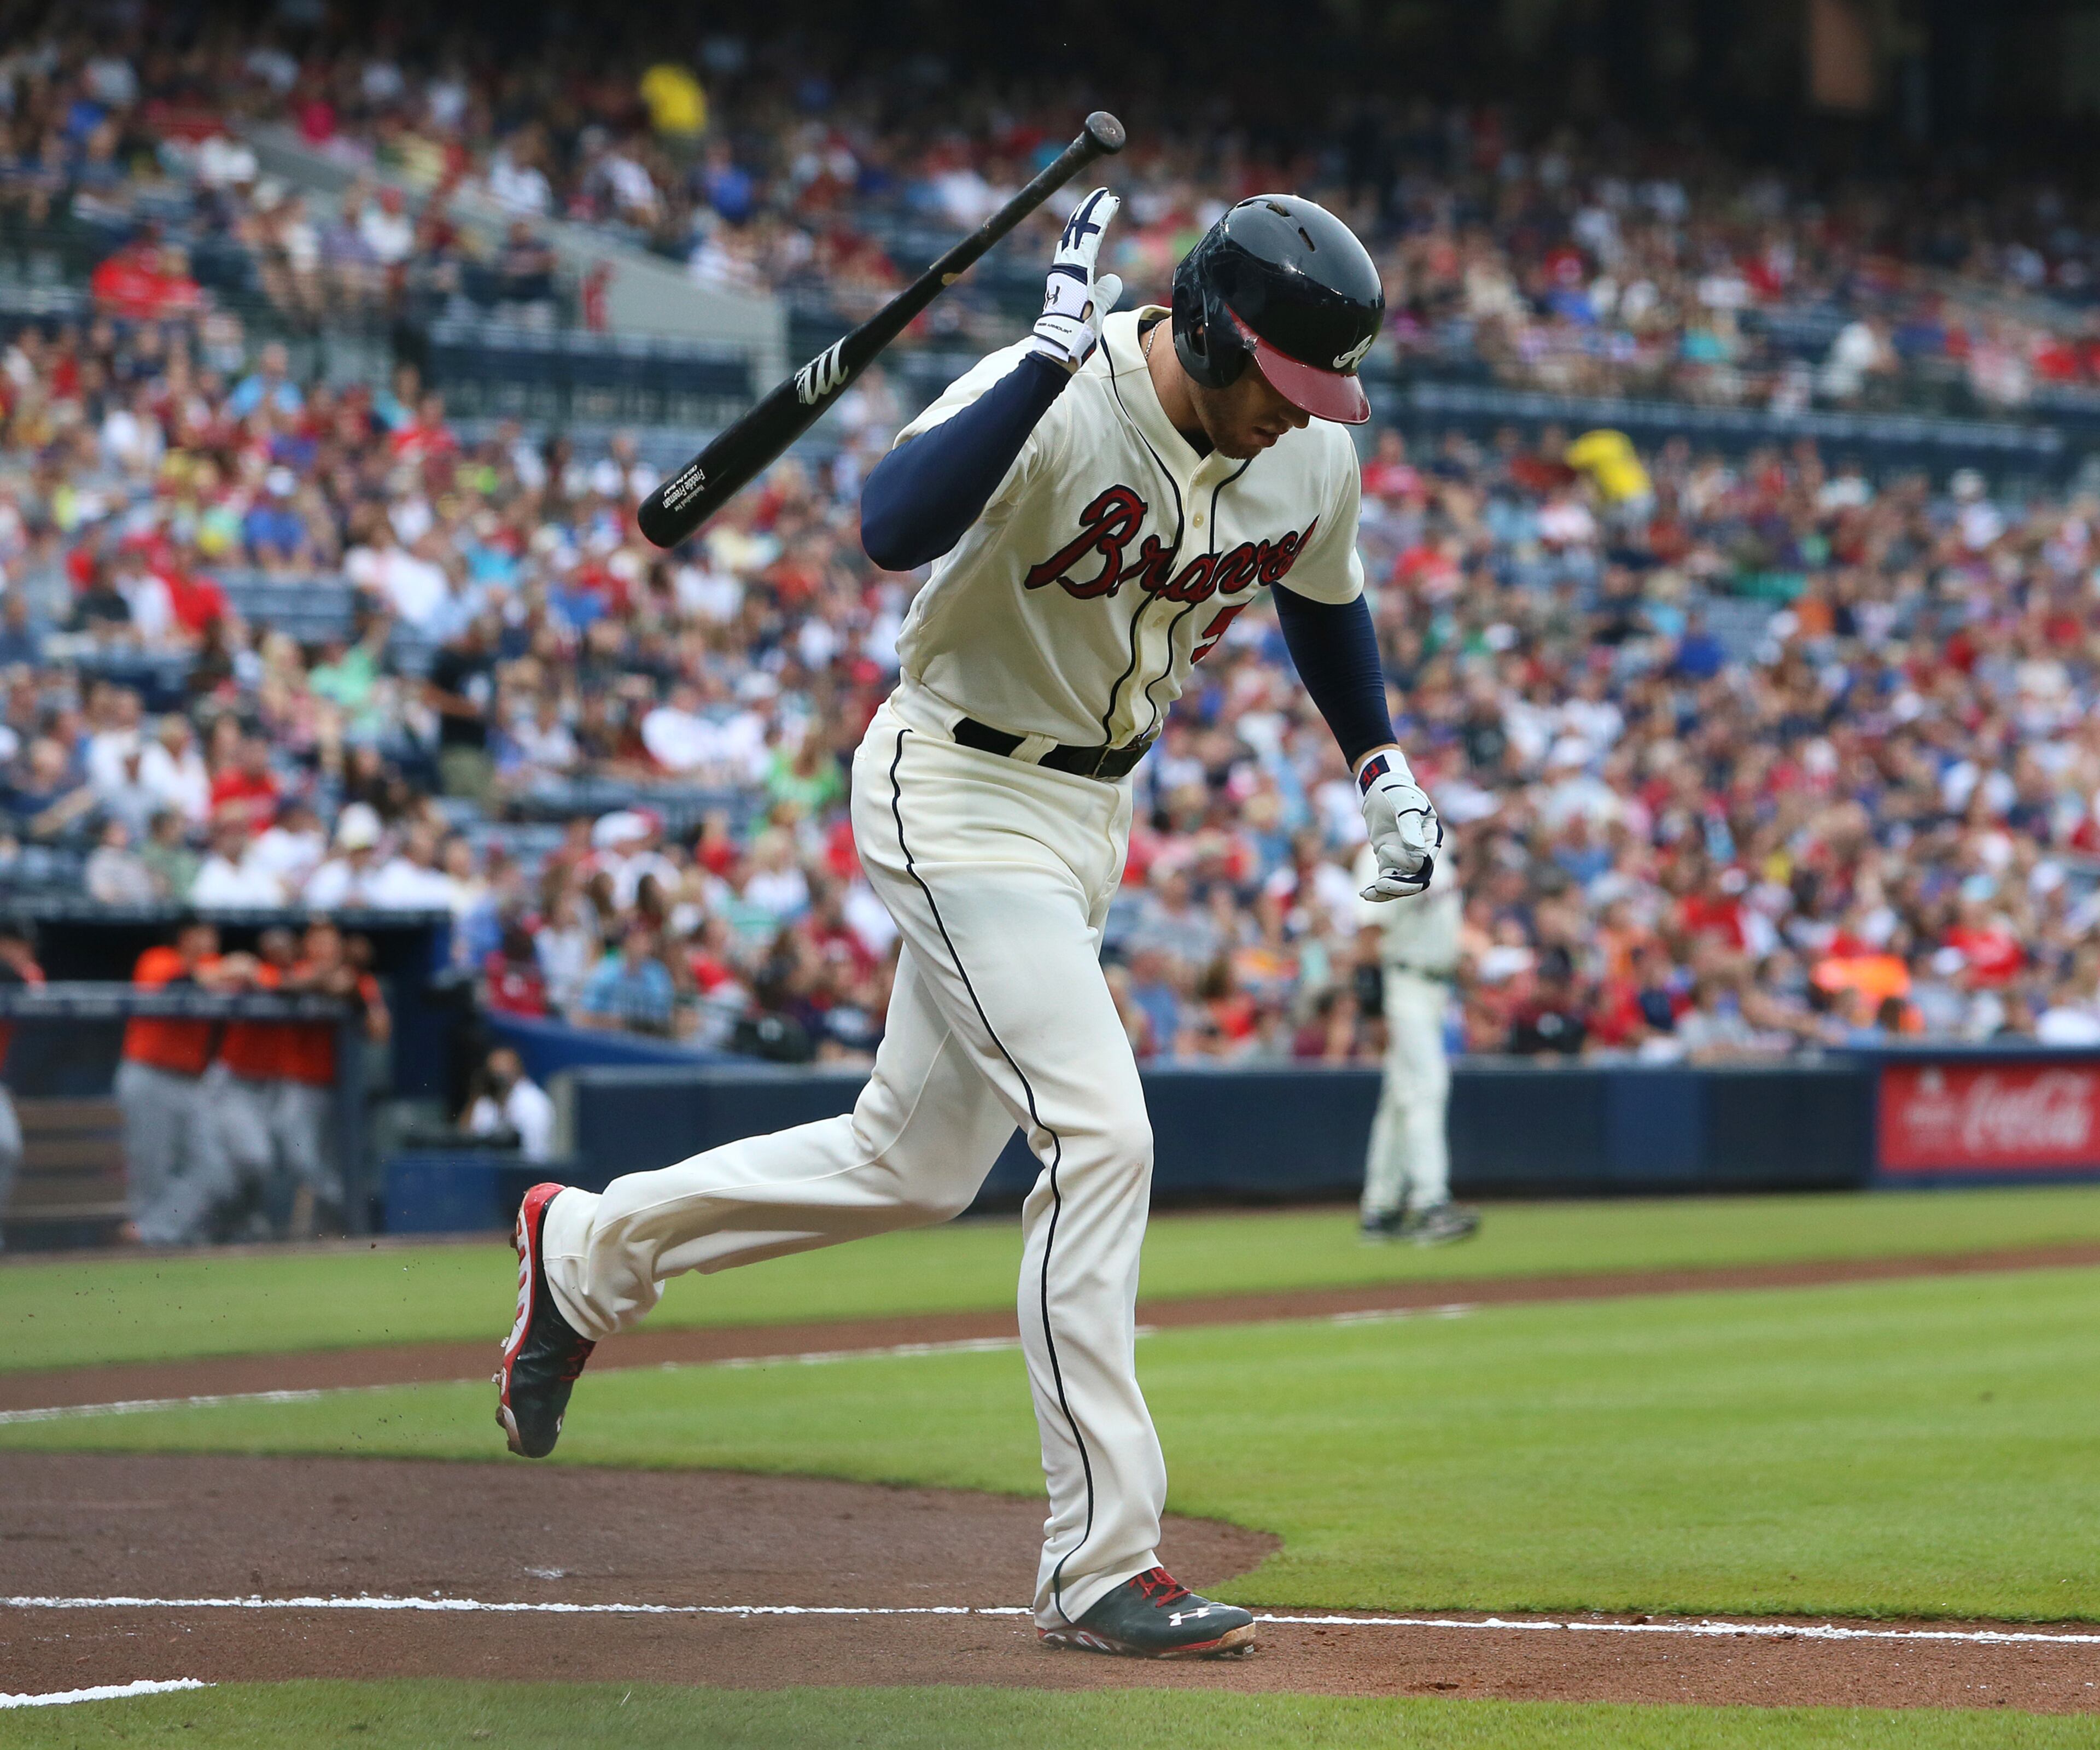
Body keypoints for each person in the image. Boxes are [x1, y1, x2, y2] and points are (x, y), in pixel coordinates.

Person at [497, 191, 1442, 1660]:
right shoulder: (1060, 398)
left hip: (1089, 817)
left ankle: (590, 1251)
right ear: (1205, 328)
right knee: (1101, 1134)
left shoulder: (1308, 449)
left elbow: (1326, 594)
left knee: (912, 1162)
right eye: (1287, 381)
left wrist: (1374, 761)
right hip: (952, 784)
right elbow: (889, 526)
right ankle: (1100, 1561)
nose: (1303, 418)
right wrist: (1040, 360)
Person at [1354, 838, 1476, 1243]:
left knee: (1400, 1098)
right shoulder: (1381, 851)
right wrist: (1373, 1011)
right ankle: (1429, 1203)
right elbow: (1369, 935)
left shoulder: (1443, 843)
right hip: (1401, 984)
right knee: (1426, 1087)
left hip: (1435, 987)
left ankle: (1381, 1207)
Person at [114, 915, 251, 1244]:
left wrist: (244, 972)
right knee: (152, 1172)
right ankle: (151, 1248)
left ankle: (150, 1233)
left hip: (193, 1082)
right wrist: (230, 971)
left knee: (215, 1170)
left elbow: (254, 981)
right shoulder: (158, 960)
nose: (209, 939)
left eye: (212, 933)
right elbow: (180, 984)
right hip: (150, 1074)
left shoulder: (216, 966)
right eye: (202, 933)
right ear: (184, 936)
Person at [0, 918, 45, 1249]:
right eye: (14, 944)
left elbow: (32, 985)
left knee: (6, 1146)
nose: (23, 953)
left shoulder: (28, 975)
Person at [463, 1047, 556, 1162]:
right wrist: (475, 1096)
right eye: (493, 1074)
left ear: (518, 1070)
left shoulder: (533, 1102)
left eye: (503, 1073)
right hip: (489, 1170)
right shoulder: (485, 1101)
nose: (498, 1078)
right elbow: (467, 1140)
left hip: (527, 1171)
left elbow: (533, 1154)